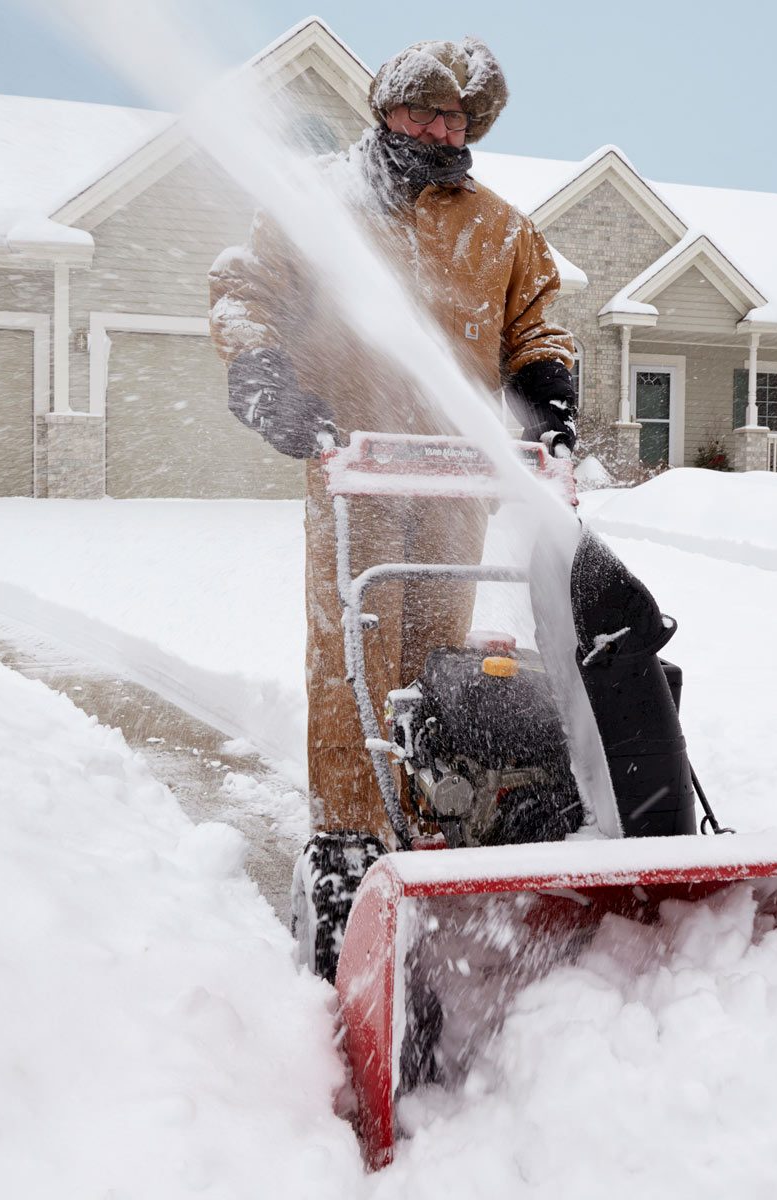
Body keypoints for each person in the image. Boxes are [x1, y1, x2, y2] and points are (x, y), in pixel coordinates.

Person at [209, 37, 578, 842]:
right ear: (386, 109)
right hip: (356, 476)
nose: (444, 131)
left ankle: (429, 821)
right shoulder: (317, 205)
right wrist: (264, 378)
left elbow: (536, 328)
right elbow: (246, 289)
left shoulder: (501, 230)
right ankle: (352, 837)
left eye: (458, 118)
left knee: (438, 665)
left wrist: (548, 401)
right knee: (356, 666)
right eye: (426, 112)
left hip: (456, 484)